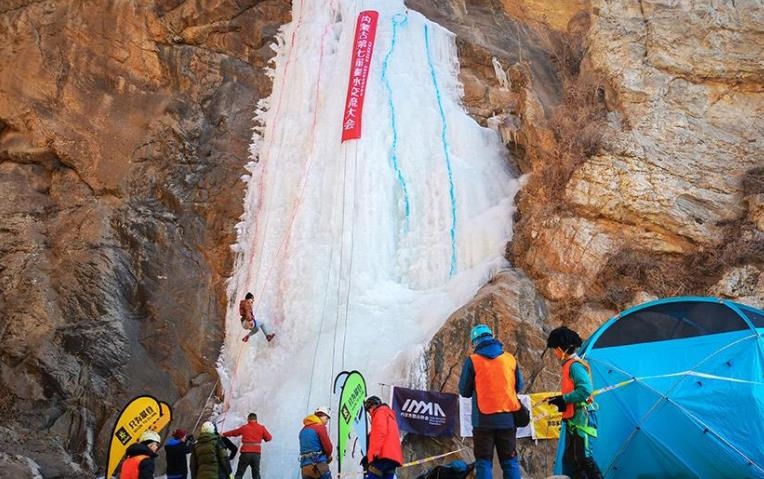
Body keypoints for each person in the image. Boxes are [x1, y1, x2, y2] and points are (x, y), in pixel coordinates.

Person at [458, 324, 523, 479]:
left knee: (483, 462)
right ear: (492, 336)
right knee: (510, 461)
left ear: (474, 342)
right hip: (507, 419)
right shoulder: (510, 359)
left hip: (483, 421)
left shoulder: (473, 360)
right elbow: (519, 386)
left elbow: (464, 391)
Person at [545, 326, 603, 479]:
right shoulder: (569, 365)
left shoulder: (575, 366)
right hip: (574, 418)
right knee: (572, 460)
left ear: (559, 348)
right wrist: (560, 400)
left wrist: (564, 399)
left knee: (584, 458)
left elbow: (585, 390)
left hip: (583, 418)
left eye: (554, 349)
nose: (555, 353)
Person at [362, 396, 403, 479]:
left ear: (373, 406)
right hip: (394, 458)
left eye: (369, 409)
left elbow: (379, 433)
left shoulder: (379, 413)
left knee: (372, 475)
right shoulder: (390, 416)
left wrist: (372, 456)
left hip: (383, 456)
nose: (369, 413)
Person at [223, 412, 273, 479]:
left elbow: (234, 433)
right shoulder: (262, 428)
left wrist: (223, 434)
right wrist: (261, 437)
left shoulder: (245, 427)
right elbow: (269, 438)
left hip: (245, 453)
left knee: (239, 474)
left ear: (248, 419)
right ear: (256, 419)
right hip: (256, 454)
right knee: (256, 475)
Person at [299, 406, 333, 479]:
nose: (327, 421)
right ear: (321, 415)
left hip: (305, 468)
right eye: (326, 418)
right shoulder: (320, 427)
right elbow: (328, 448)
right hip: (318, 466)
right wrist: (329, 457)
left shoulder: (303, 430)